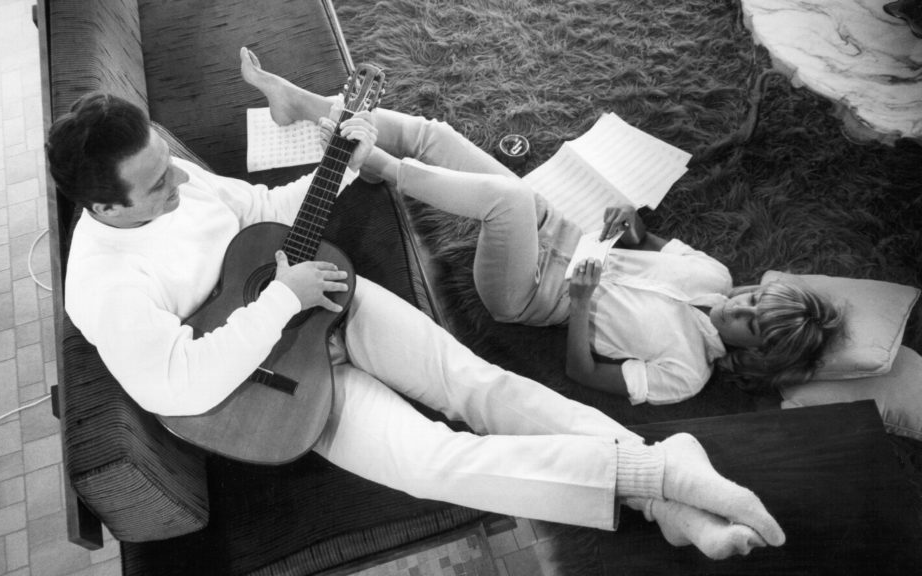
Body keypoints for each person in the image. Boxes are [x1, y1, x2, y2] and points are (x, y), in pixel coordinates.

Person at [45, 47, 791, 560]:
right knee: (435, 462)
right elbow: (178, 386)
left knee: (478, 385)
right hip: (273, 388)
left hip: (317, 295)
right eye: (158, 185)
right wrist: (279, 303)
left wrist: (343, 162)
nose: (181, 181)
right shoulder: (104, 288)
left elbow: (261, 210)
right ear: (105, 209)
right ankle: (660, 476)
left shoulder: (171, 178)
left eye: (169, 166)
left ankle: (664, 500)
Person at [310, 85, 844, 408]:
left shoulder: (686, 374)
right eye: (755, 299)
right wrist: (631, 225)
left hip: (533, 295)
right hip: (563, 233)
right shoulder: (715, 276)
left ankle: (377, 164)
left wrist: (583, 302)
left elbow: (583, 373)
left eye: (749, 323)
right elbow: (647, 243)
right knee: (440, 136)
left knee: (509, 200)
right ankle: (318, 108)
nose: (739, 306)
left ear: (755, 353)